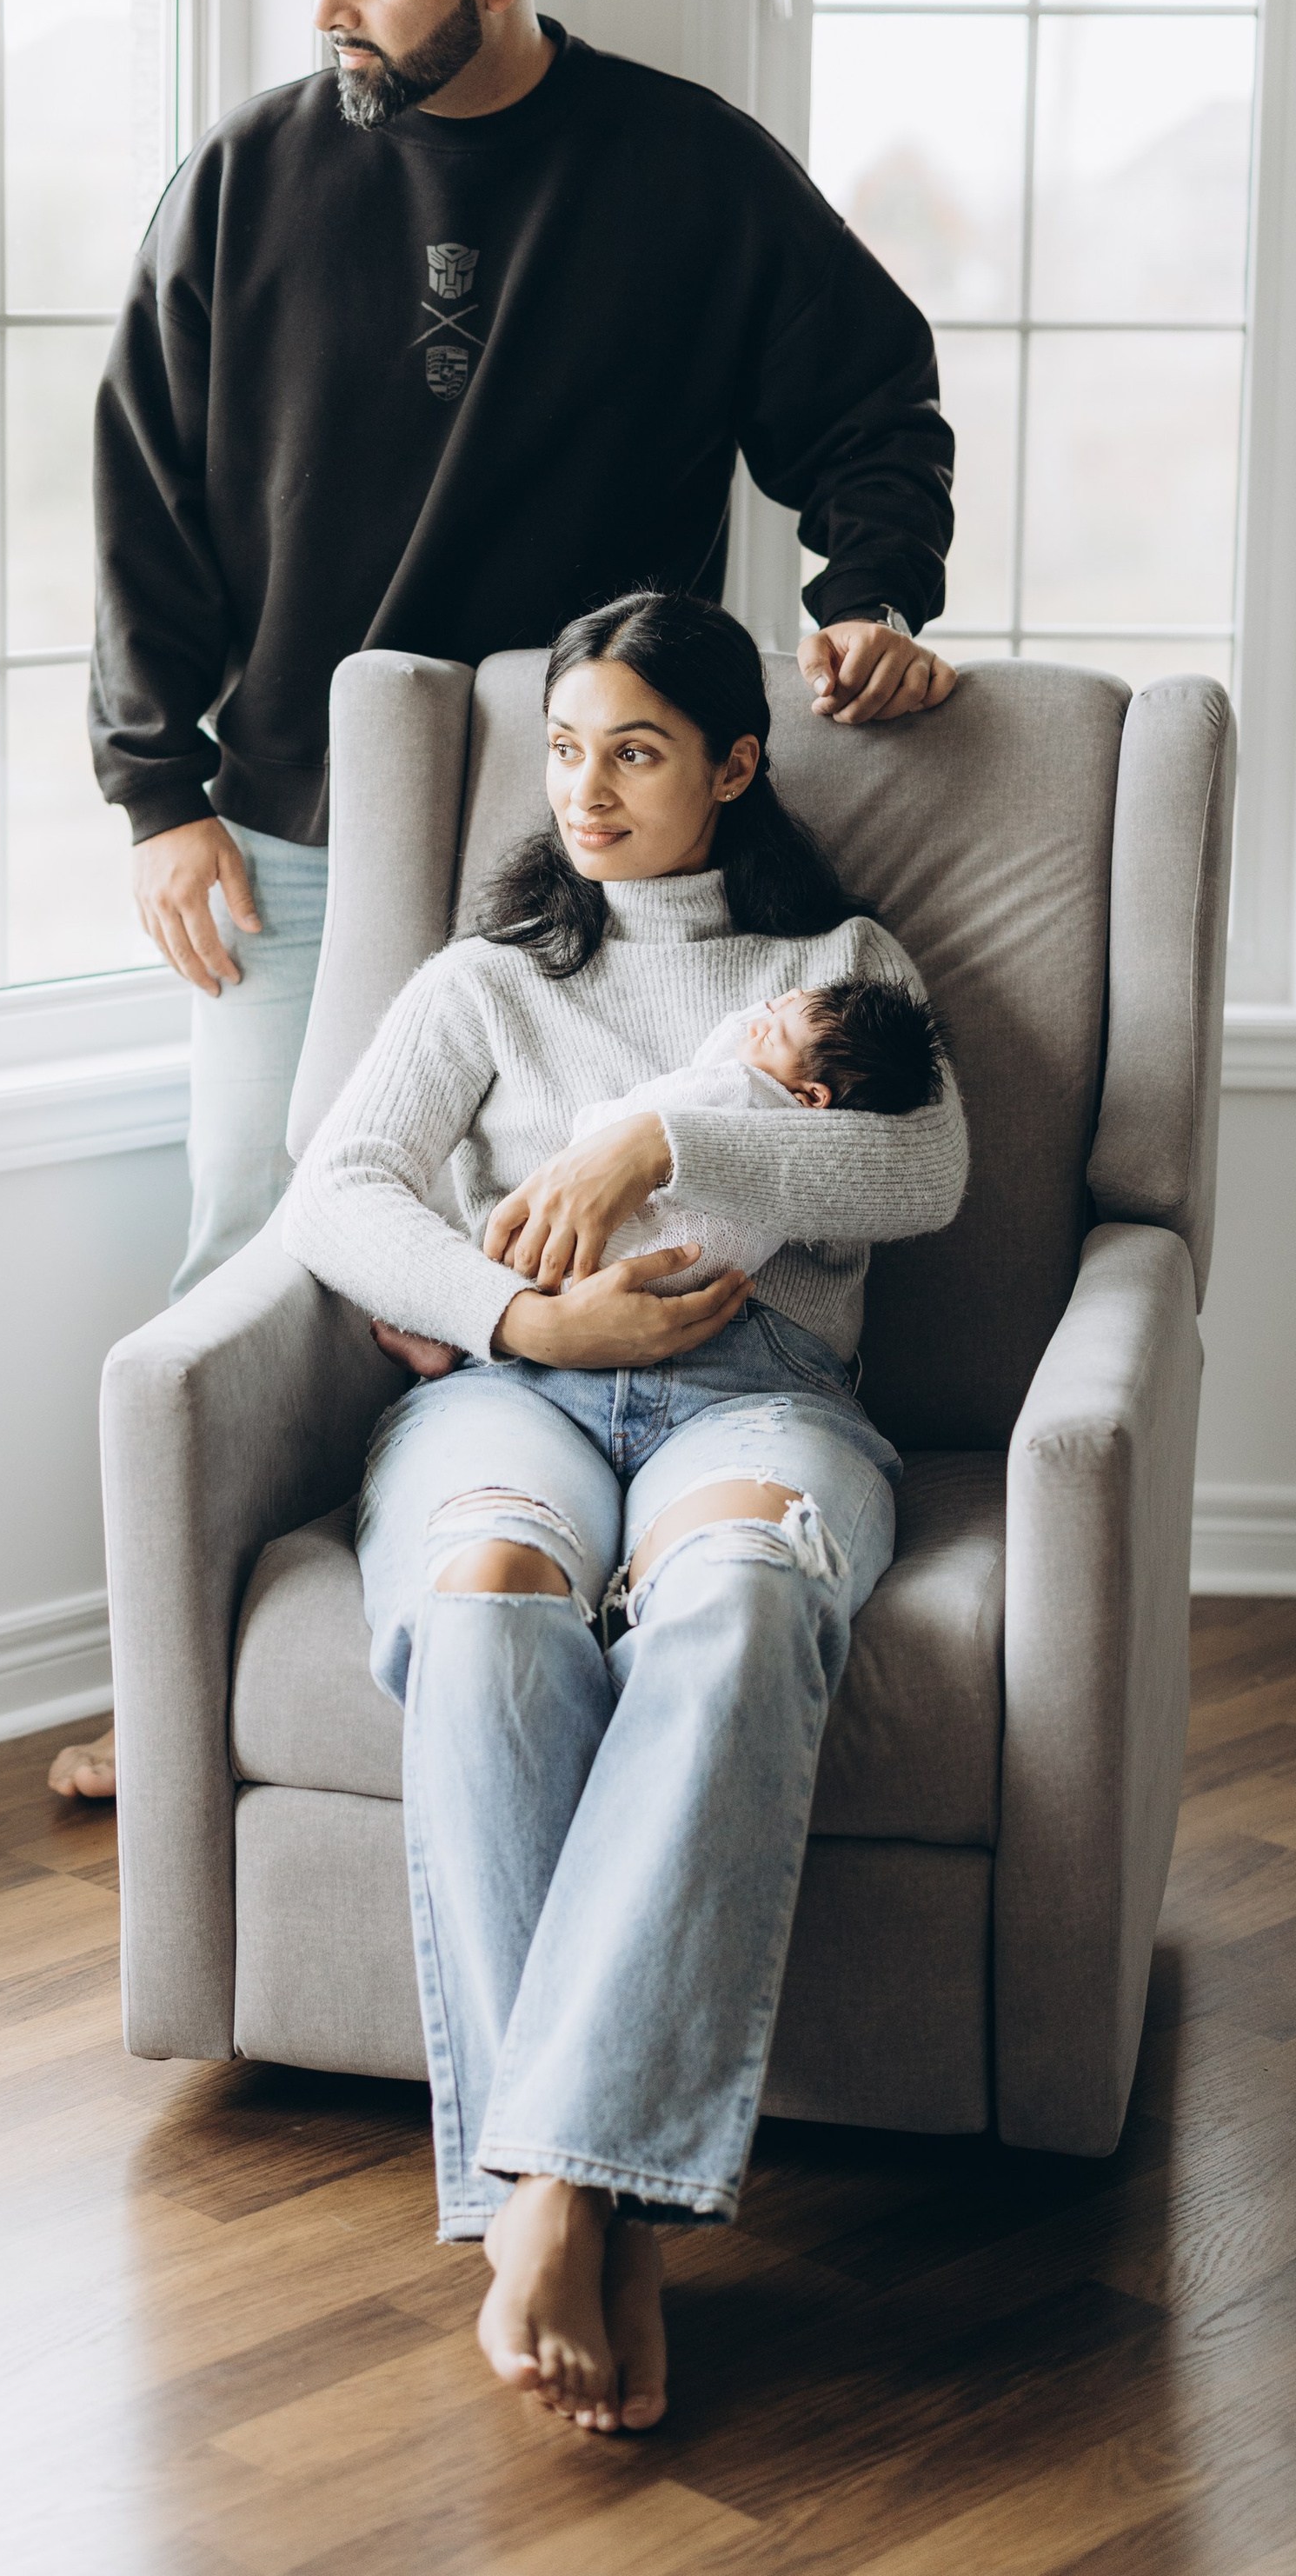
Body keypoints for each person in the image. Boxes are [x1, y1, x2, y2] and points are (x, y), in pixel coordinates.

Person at [50, 0, 958, 1804]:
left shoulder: (687, 177)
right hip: (287, 816)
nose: (331, 8)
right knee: (256, 1239)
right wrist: (155, 790)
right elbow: (142, 497)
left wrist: (870, 592)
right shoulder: (240, 183)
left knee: (571, 1195)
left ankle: (563, 1581)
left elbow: (870, 398)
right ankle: (187, 1688)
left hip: (592, 818)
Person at [281, 590, 968, 2433]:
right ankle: (600, 2209)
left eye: (637, 751)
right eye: (566, 750)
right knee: (491, 1596)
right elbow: (332, 1190)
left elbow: (921, 1164)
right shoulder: (484, 979)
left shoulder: (832, 957)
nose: (585, 790)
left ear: (733, 766)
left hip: (762, 1398)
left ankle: (556, 2181)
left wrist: (651, 1141)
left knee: (741, 1603)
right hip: (511, 1392)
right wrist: (518, 1313)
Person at [384, 975, 946, 1378]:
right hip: (696, 1282)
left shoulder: (736, 1085)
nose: (757, 1024)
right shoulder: (806, 1139)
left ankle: (446, 1330)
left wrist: (613, 1138)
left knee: (521, 1247)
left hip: (662, 1294)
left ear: (813, 1098)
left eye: (769, 1032)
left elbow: (667, 1094)